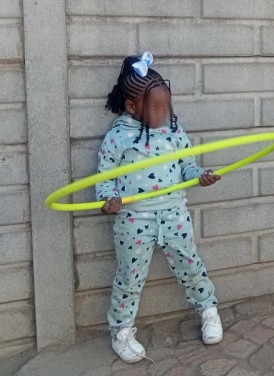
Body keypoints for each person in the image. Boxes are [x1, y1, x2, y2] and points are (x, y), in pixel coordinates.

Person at [95, 52, 223, 363]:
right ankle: (121, 331)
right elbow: (105, 177)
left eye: (167, 105)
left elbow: (187, 166)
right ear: (132, 107)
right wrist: (109, 200)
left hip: (174, 213)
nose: (163, 112)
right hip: (133, 219)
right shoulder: (117, 137)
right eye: (156, 107)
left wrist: (201, 176)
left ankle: (208, 310)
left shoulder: (174, 131)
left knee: (190, 264)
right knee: (130, 277)